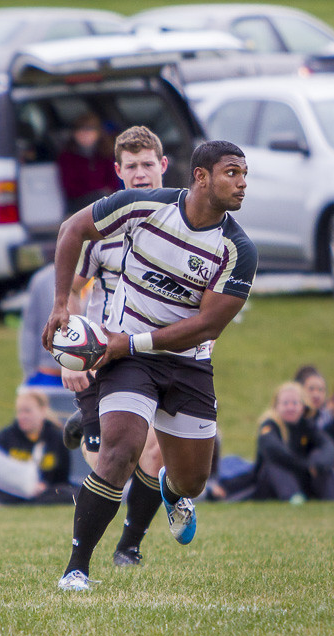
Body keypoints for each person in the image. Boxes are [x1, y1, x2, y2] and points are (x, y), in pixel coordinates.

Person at [43, 140, 258, 591]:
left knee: (192, 480)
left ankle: (172, 490)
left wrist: (128, 342)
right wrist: (61, 304)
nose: (242, 183)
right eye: (232, 173)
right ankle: (76, 569)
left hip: (186, 364)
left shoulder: (238, 249)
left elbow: (207, 325)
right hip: (128, 359)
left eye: (244, 175)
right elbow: (71, 229)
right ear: (201, 176)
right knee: (119, 450)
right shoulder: (144, 206)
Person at [61, 125, 173, 566]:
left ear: (163, 165)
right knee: (111, 461)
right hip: (105, 355)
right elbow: (72, 291)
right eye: (132, 166)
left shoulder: (184, 222)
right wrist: (71, 352)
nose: (140, 173)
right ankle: (86, 421)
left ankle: (129, 546)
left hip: (159, 352)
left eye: (147, 164)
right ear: (118, 171)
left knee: (156, 452)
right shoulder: (100, 226)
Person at [0, 388, 74, 507]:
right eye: (20, 412)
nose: (22, 416)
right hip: (7, 491)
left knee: (69, 493)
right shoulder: (5, 437)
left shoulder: (56, 438)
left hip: (43, 492)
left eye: (27, 411)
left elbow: (62, 477)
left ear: (43, 411)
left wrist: (43, 486)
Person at [254, 382, 334, 504]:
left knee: (321, 458)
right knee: (274, 464)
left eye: (295, 403)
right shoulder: (269, 426)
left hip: (303, 476)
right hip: (273, 482)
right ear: (276, 406)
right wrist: (305, 466)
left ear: (303, 406)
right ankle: (292, 496)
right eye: (285, 403)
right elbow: (273, 450)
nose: (290, 408)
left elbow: (328, 446)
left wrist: (317, 464)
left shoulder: (307, 425)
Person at [56, 111, 121, 213]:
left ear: (98, 133)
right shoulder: (67, 157)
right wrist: (96, 191)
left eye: (89, 131)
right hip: (78, 203)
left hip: (105, 200)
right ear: (74, 134)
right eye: (81, 131)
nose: (85, 135)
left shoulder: (107, 154)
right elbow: (70, 187)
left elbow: (114, 182)